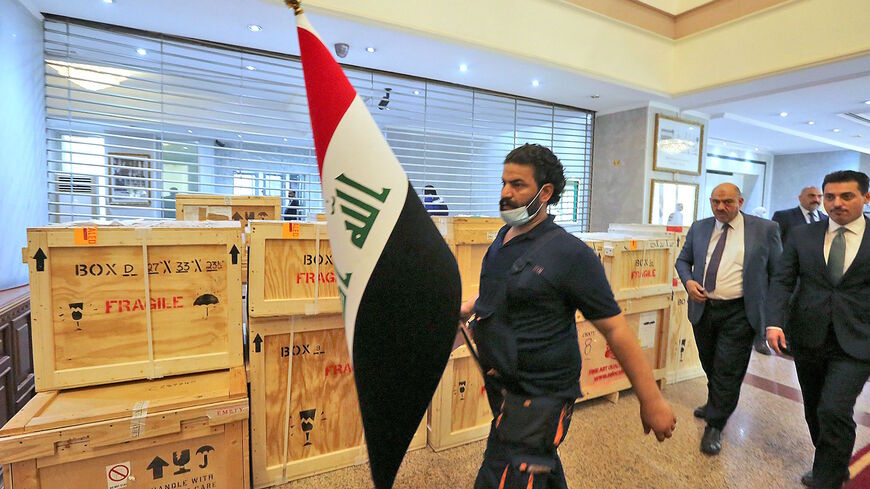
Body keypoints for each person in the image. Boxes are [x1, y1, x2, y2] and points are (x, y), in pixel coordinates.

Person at [460, 143, 676, 489]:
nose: (505, 193)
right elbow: (496, 300)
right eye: (503, 183)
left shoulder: (570, 254)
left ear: (545, 192)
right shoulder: (502, 239)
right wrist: (468, 311)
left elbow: (616, 330)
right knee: (534, 465)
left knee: (505, 473)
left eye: (518, 185)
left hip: (542, 394)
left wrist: (651, 400)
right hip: (504, 387)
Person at [767, 170, 870, 489]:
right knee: (814, 408)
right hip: (808, 335)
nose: (837, 204)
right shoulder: (802, 235)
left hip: (858, 339)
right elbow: (783, 280)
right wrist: (773, 322)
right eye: (830, 197)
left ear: (866, 197)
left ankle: (827, 477)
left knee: (834, 406)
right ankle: (834, 461)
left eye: (847, 196)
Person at [674, 183, 782, 455]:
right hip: (704, 308)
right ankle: (715, 402)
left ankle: (715, 424)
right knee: (710, 363)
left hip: (740, 311)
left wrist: (773, 316)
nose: (721, 207)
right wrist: (688, 282)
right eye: (715, 202)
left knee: (728, 369)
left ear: (740, 201)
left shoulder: (764, 229)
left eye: (727, 202)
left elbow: (778, 273)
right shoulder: (699, 227)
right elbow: (683, 261)